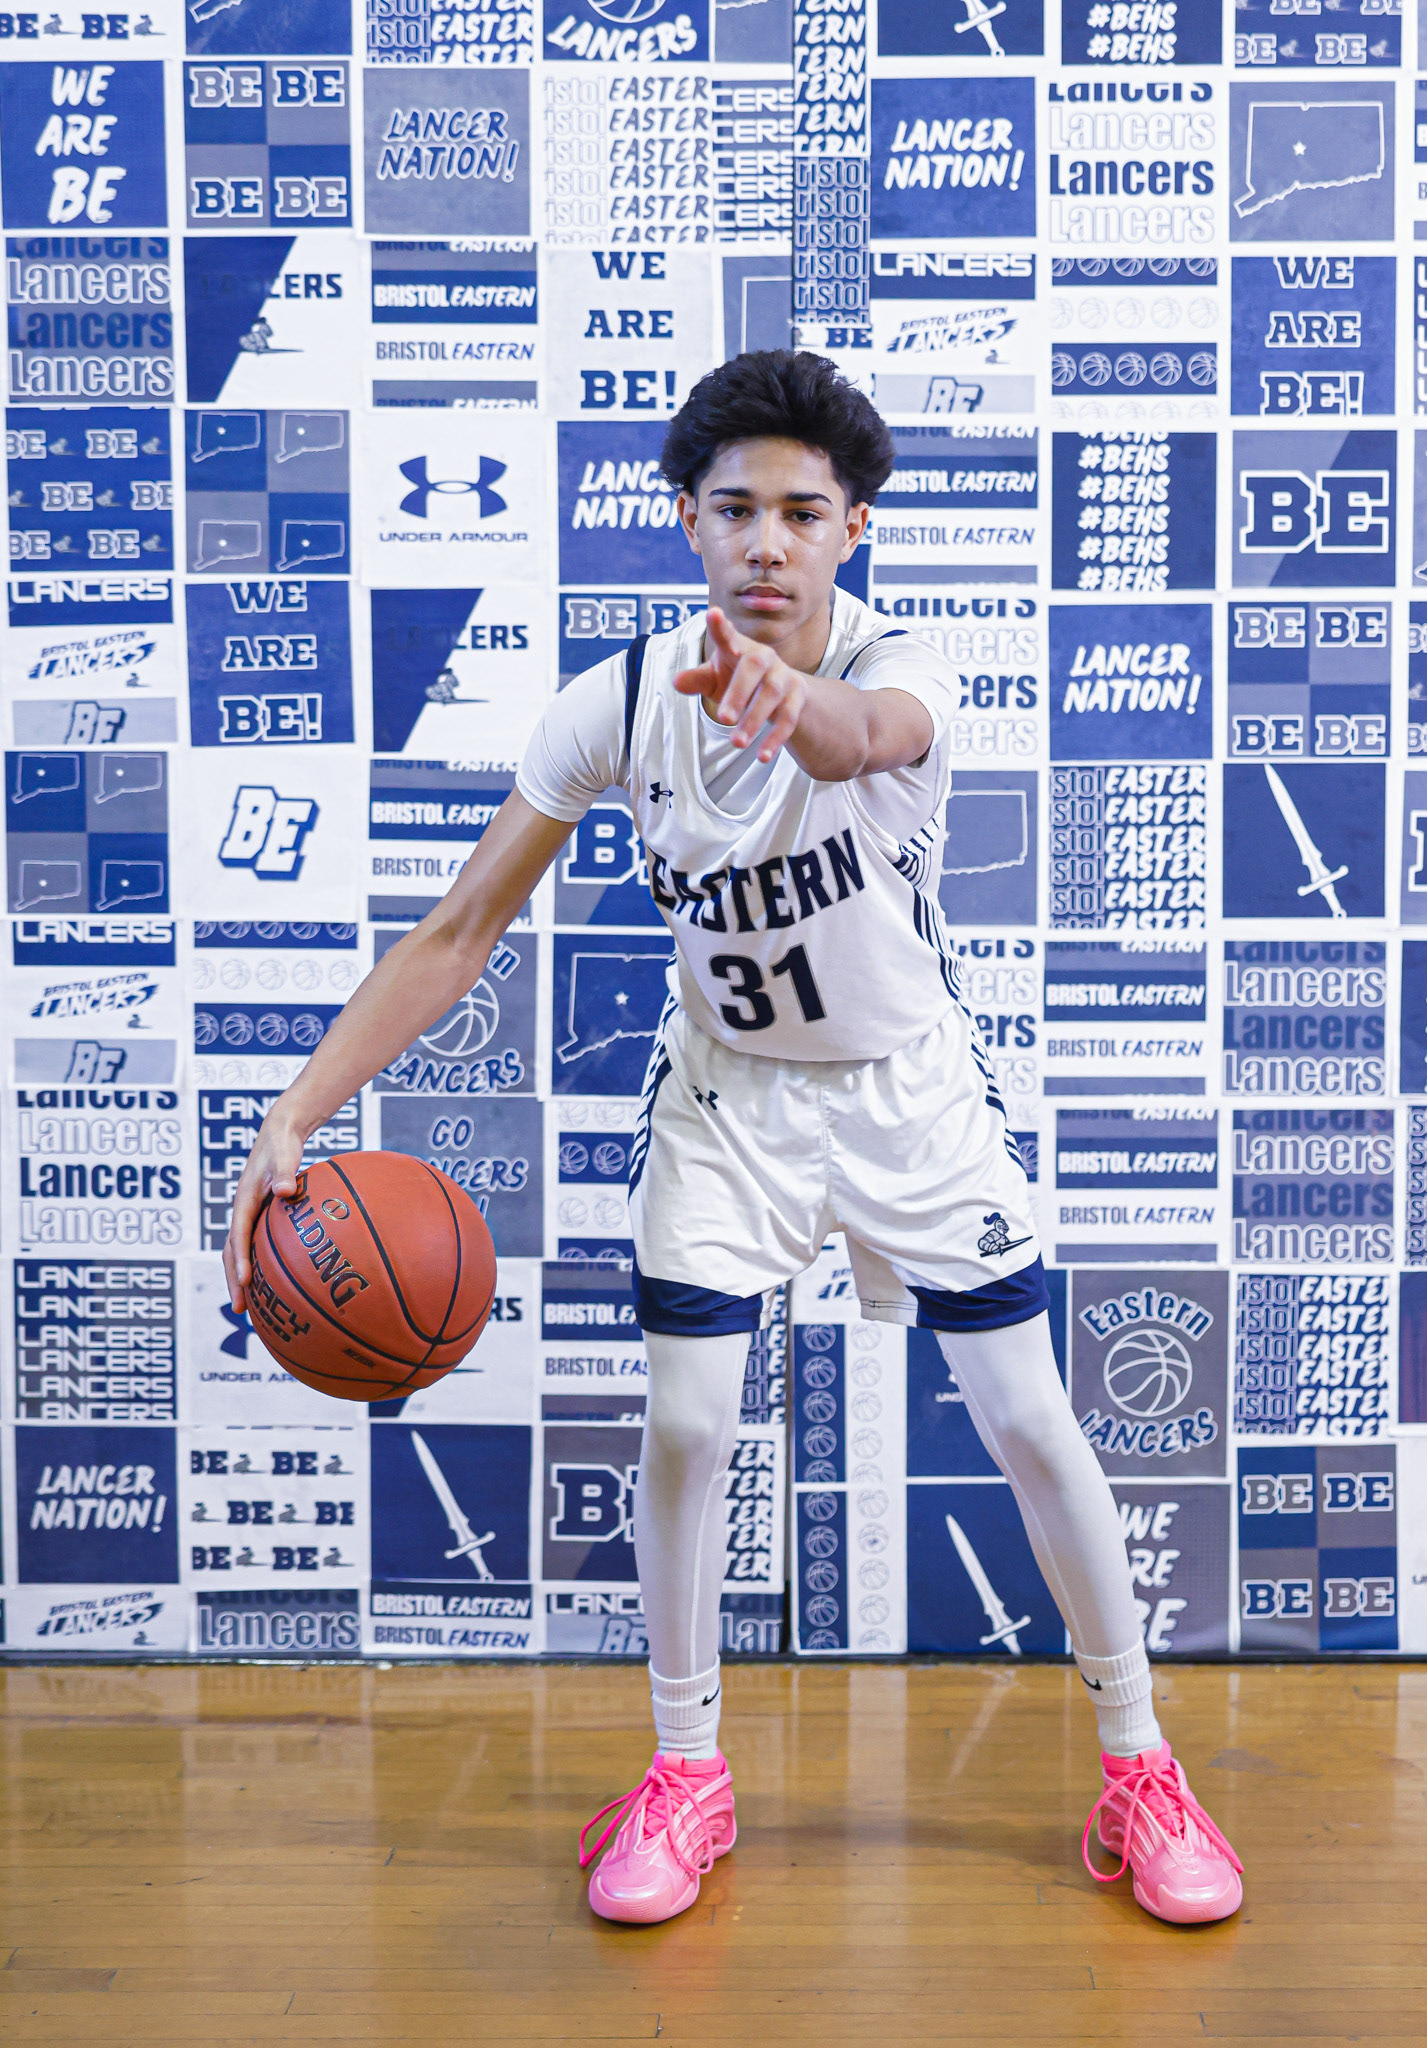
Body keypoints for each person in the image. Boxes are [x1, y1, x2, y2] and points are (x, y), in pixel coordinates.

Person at [224, 351, 1243, 1930]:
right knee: (689, 1426)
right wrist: (294, 1115)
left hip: (909, 1098)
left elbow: (861, 735)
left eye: (801, 513)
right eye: (735, 509)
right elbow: (459, 928)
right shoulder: (617, 701)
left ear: (853, 528)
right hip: (727, 1101)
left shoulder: (909, 672)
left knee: (1033, 1424)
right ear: (686, 519)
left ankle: (1139, 1763)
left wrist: (795, 702)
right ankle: (685, 1771)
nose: (767, 541)